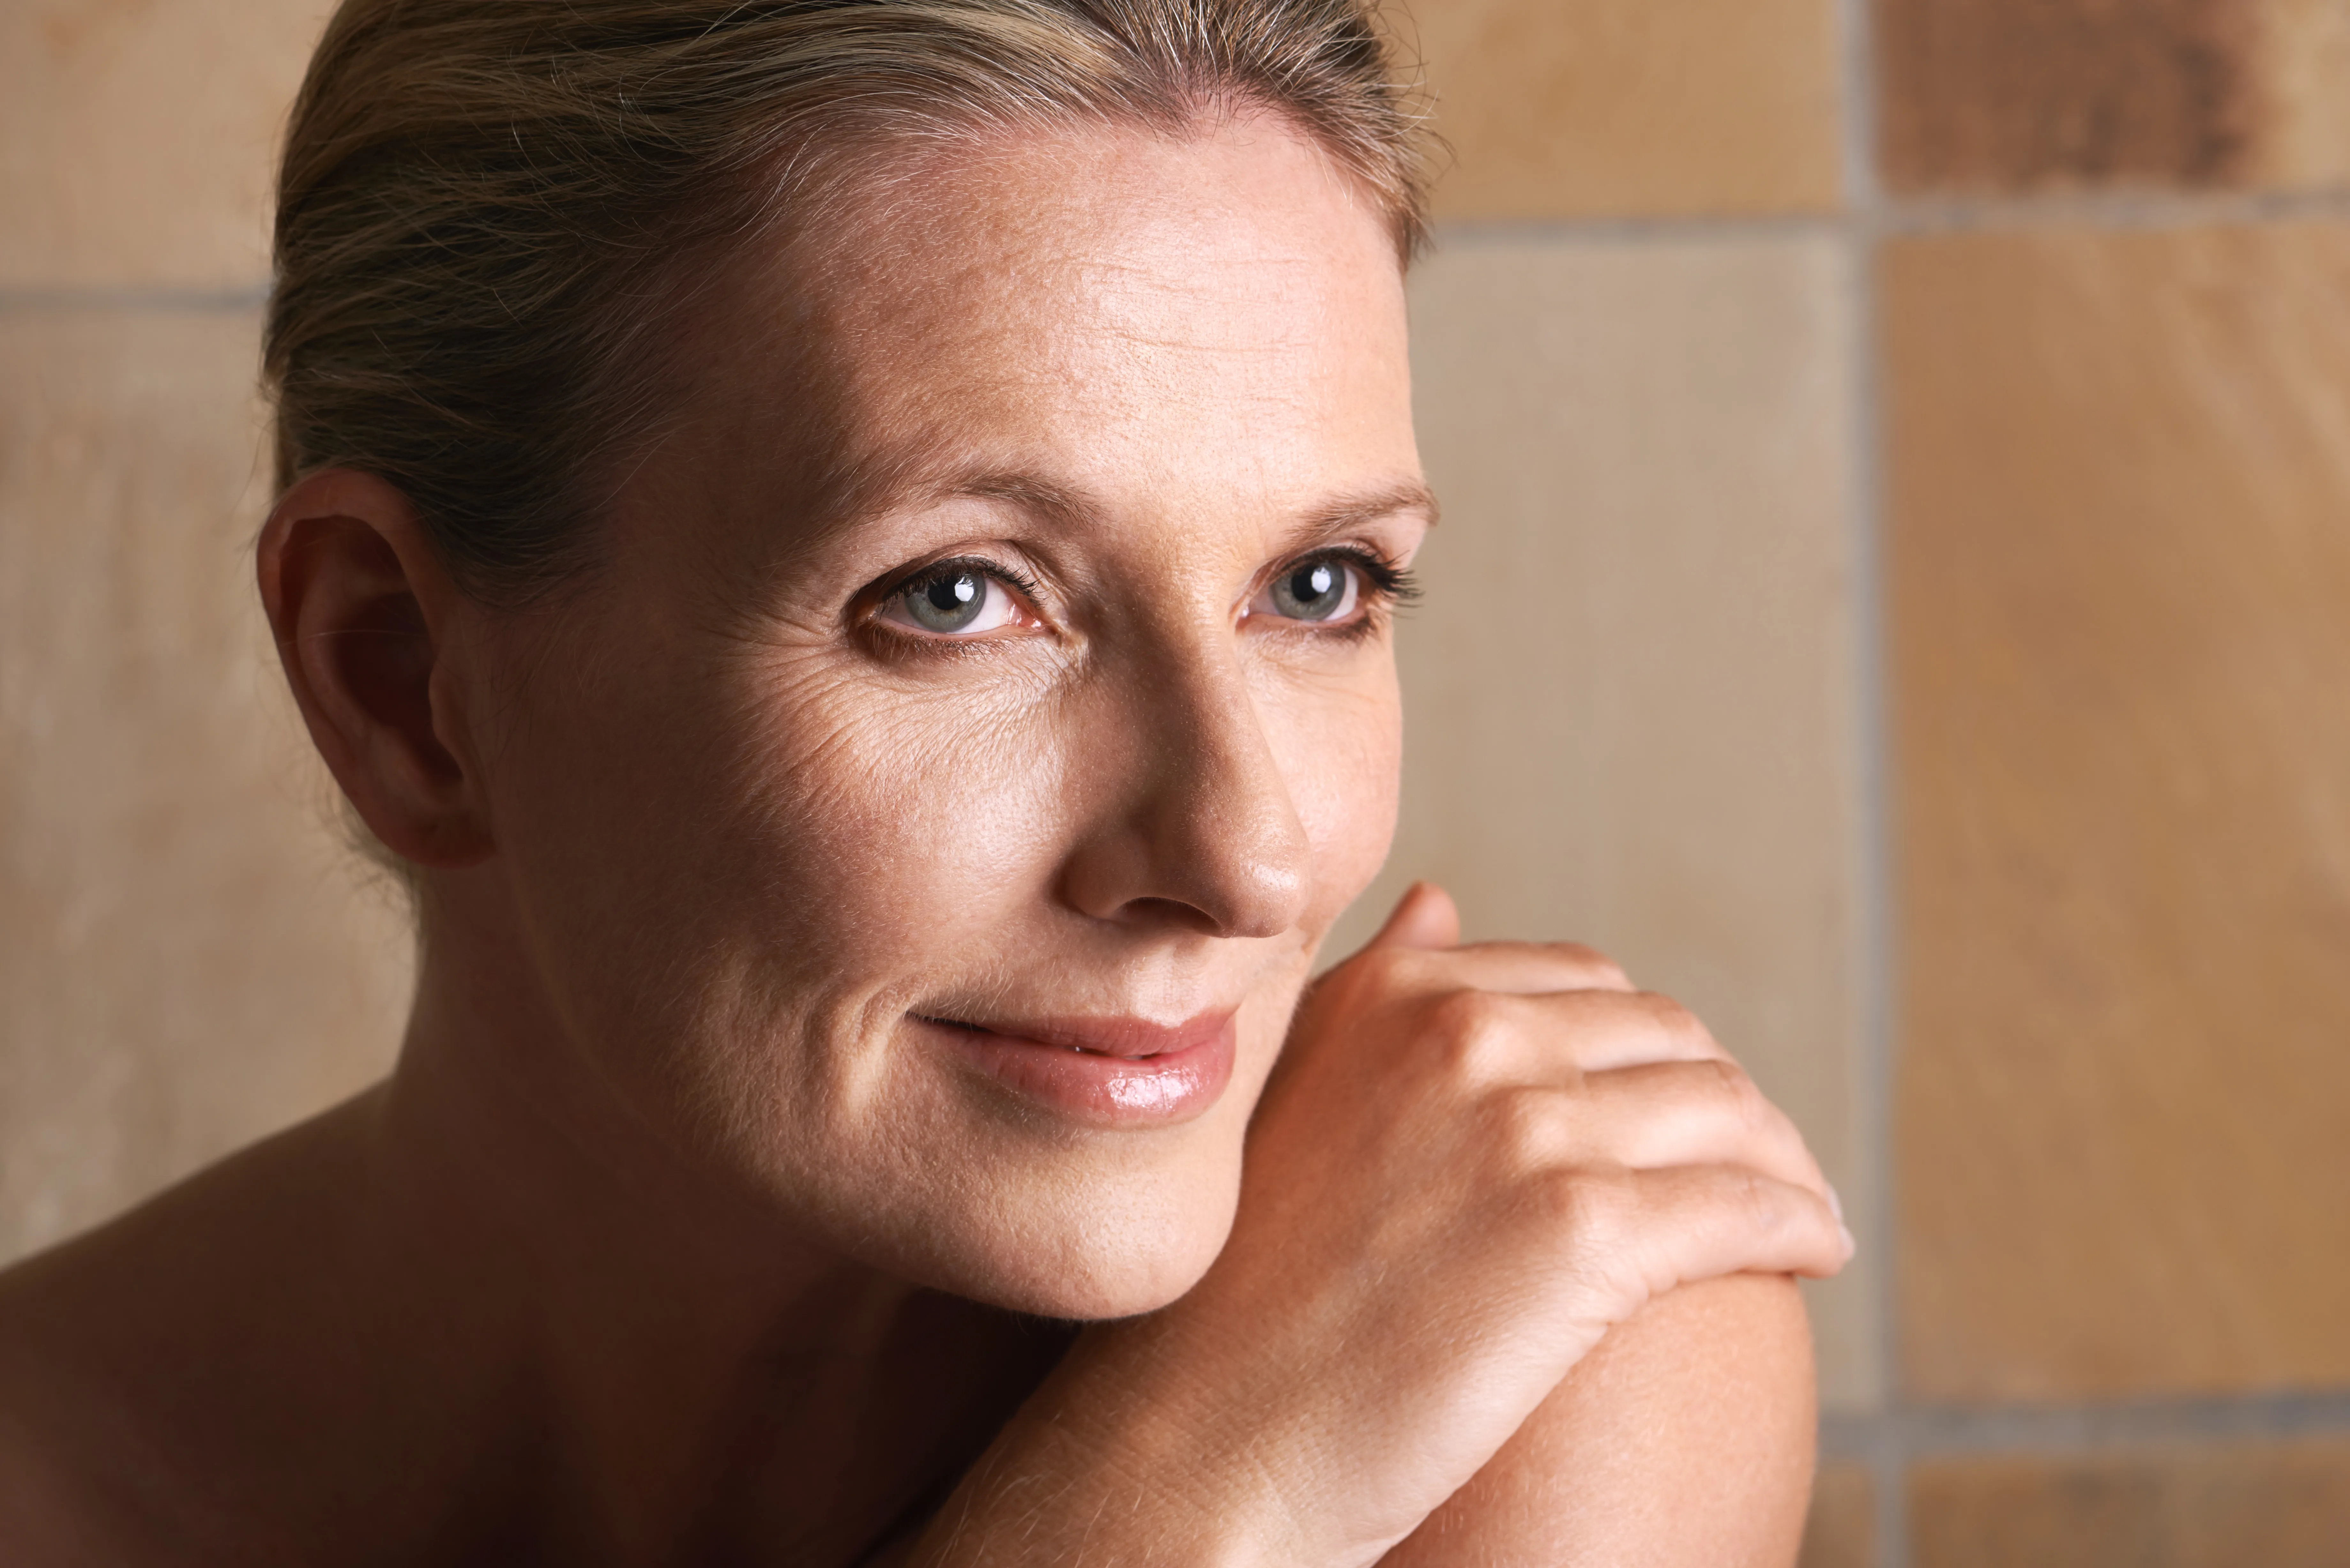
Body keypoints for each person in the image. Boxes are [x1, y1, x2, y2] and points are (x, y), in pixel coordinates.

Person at [0, 1, 1852, 1561]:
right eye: (959, 599)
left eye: (1319, 586)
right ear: (399, 679)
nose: (1250, 854)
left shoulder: (1529, 1349)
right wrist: (1166, 1507)